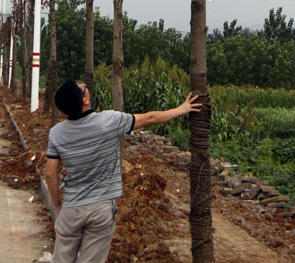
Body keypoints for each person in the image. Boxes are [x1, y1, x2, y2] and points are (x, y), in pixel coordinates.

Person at [45, 80, 201, 263]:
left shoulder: (56, 133)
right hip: (101, 210)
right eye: (82, 88)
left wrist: (57, 205)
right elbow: (149, 118)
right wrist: (181, 109)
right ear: (84, 101)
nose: (83, 84)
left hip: (71, 209)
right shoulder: (109, 121)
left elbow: (50, 174)